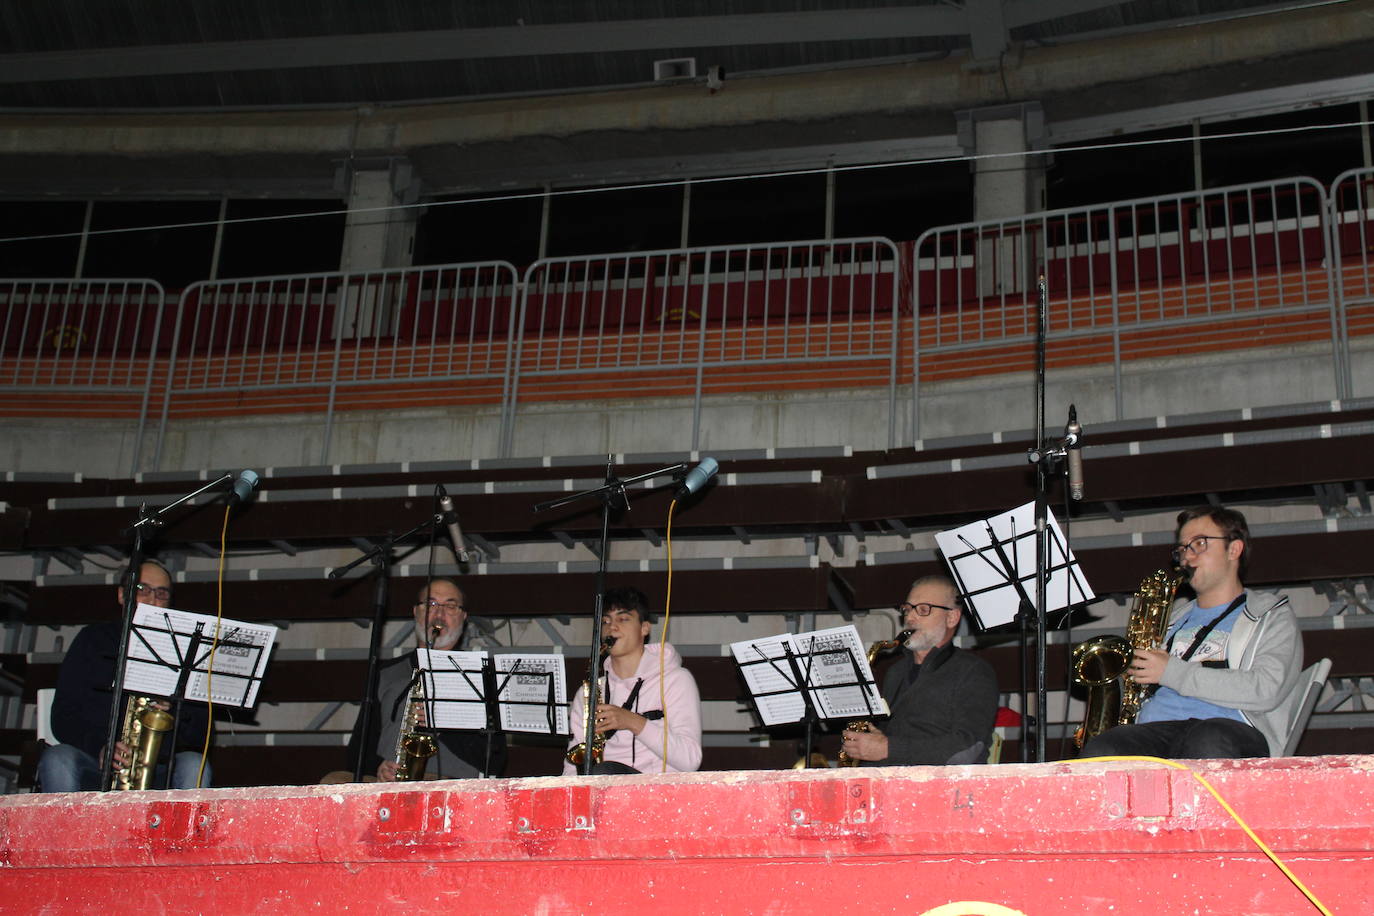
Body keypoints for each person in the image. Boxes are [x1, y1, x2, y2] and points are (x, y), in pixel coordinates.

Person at [1080, 506, 1304, 759]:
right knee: (1102, 749)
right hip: (1156, 731)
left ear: (1234, 549)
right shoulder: (1169, 621)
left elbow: (1266, 689)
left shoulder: (1270, 615)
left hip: (1229, 730)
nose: (1187, 557)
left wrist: (1173, 672)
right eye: (1183, 548)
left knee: (1208, 739)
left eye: (1199, 543)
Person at [38, 559, 212, 792]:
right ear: (122, 595)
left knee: (194, 764)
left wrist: (175, 709)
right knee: (57, 758)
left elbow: (200, 734)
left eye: (162, 593)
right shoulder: (93, 640)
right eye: (142, 590)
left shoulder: (187, 651)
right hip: (95, 763)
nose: (152, 600)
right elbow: (63, 716)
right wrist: (102, 747)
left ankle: (184, 829)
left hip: (158, 770)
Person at [344, 577, 506, 781]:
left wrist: (443, 721)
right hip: (387, 787)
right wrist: (378, 767)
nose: (439, 613)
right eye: (431, 604)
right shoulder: (386, 673)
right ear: (416, 612)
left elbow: (496, 760)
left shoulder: (481, 677)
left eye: (451, 606)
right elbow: (357, 752)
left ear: (463, 617)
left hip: (452, 788)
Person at [842, 574, 999, 766]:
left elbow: (967, 745)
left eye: (923, 610)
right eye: (907, 609)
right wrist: (869, 743)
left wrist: (888, 748)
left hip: (943, 788)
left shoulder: (973, 671)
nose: (910, 617)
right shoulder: (895, 672)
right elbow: (889, 741)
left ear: (952, 617)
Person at [563, 587, 702, 775]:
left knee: (605, 770)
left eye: (623, 619)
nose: (611, 627)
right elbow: (573, 764)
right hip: (608, 788)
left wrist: (632, 722)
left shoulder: (675, 680)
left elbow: (690, 760)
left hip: (661, 792)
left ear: (645, 628)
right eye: (605, 620)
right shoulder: (589, 692)